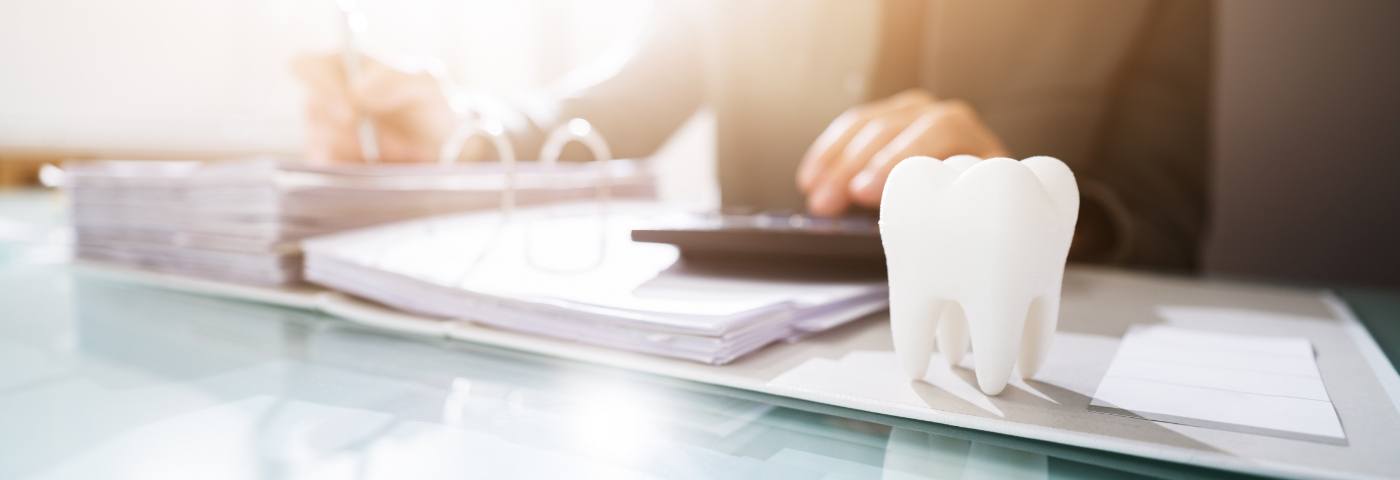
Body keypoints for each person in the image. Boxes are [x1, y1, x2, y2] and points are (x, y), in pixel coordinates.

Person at [294, 0, 1212, 271]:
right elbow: (595, 115)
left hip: (1021, 382)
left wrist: (1023, 200)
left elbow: (1165, 230)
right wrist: (457, 128)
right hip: (761, 377)